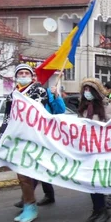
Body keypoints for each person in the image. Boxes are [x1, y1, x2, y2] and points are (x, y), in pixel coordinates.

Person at [0, 64, 49, 222]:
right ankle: (29, 205)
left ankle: (32, 204)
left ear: (32, 76)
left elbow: (37, 110)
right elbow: (7, 119)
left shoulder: (39, 91)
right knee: (21, 174)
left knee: (29, 173)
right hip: (18, 138)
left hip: (34, 137)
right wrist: (1, 138)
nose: (23, 75)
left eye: (26, 73)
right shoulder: (11, 95)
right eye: (20, 73)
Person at [13, 80, 66, 209]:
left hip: (45, 135)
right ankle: (47, 195)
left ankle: (27, 198)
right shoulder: (21, 94)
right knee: (40, 166)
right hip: (31, 134)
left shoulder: (46, 93)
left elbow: (60, 110)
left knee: (37, 166)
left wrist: (56, 96)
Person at [78, 78, 111, 222]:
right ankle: (97, 210)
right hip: (87, 150)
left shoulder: (107, 107)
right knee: (90, 183)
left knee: (97, 182)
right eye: (85, 90)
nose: (87, 93)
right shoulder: (84, 107)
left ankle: (103, 211)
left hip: (101, 150)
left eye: (89, 90)